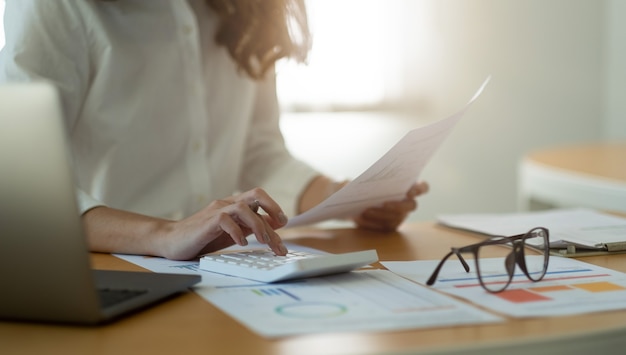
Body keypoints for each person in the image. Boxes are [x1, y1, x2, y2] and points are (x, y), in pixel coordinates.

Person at [0, 0, 428, 260]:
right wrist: (165, 235)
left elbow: (256, 151)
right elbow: (22, 180)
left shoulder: (247, 10)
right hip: (115, 268)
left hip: (231, 269)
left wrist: (343, 198)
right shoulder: (58, 7)